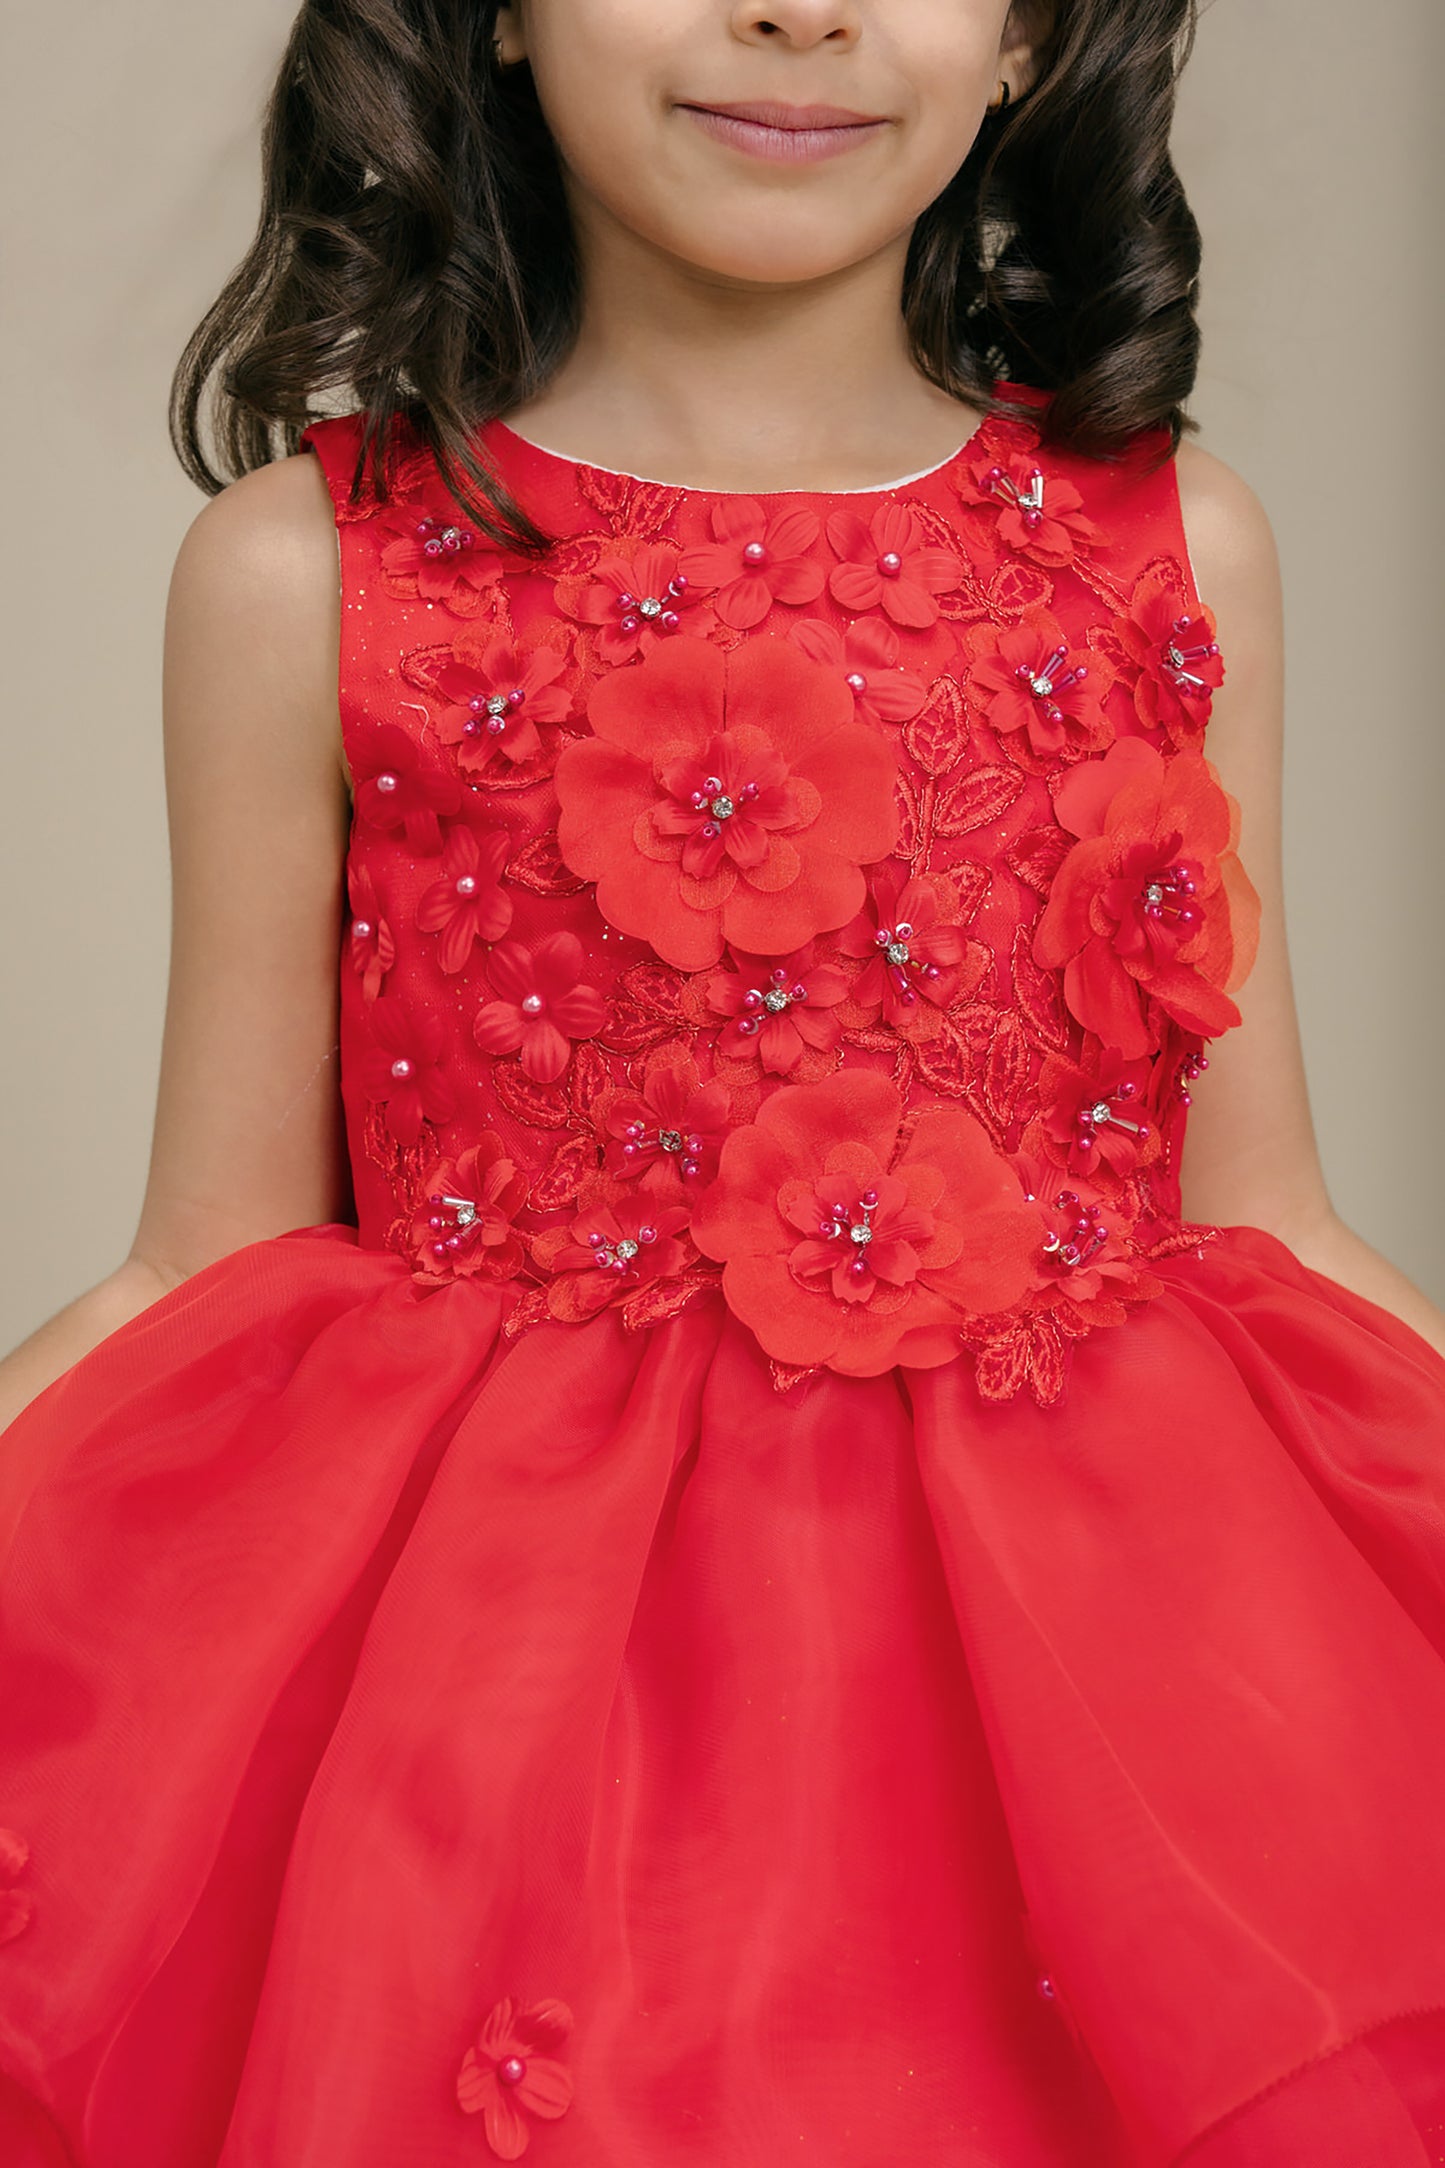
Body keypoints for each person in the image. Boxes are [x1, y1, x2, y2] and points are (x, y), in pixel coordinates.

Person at [2, 0, 1444, 2159]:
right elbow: (202, 1260)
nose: (802, 9)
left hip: (1108, 1690)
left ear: (1034, 38)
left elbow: (1267, 1219)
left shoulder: (1176, 546)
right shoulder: (307, 574)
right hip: (507, 1736)